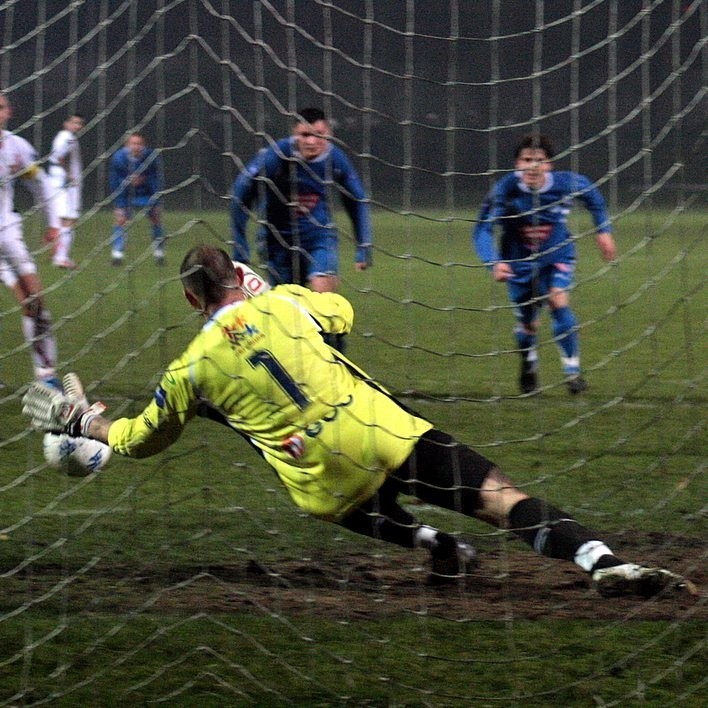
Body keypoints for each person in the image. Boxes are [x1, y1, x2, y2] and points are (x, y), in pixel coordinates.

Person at [22, 244, 696, 599]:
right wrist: (276, 294)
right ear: (240, 276)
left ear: (190, 297)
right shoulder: (288, 304)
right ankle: (600, 561)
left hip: (319, 475)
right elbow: (340, 312)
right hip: (380, 428)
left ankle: (438, 549)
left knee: (348, 502)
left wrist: (85, 424)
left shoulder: (188, 371)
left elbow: (138, 439)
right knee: (499, 499)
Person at [473, 133, 616, 395]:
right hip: (518, 264)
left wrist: (603, 231)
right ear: (517, 164)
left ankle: (573, 373)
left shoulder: (566, 184)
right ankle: (528, 364)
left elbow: (594, 199)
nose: (532, 166)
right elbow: (482, 230)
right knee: (529, 324)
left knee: (558, 299)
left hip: (557, 256)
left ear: (549, 164)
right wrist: (493, 263)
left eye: (539, 160)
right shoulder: (505, 191)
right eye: (527, 160)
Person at [231, 107, 373, 297]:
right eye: (305, 135)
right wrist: (240, 248)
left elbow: (357, 200)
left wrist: (363, 246)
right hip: (278, 241)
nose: (311, 141)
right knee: (287, 308)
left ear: (328, 134)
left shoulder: (335, 158)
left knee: (324, 295)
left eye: (319, 135)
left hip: (318, 237)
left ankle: (325, 325)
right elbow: (241, 192)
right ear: (295, 134)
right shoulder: (276, 156)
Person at [0, 92, 61, 384]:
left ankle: (46, 373)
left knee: (35, 301)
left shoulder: (16, 148)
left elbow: (40, 184)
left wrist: (52, 224)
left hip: (7, 234)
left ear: (8, 111)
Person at [108, 131, 165, 266]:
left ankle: (159, 254)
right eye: (133, 143)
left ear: (143, 145)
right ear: (127, 145)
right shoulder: (118, 158)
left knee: (156, 219)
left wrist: (156, 200)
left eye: (139, 144)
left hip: (146, 194)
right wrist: (120, 202)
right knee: (120, 220)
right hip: (126, 194)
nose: (136, 146)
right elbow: (114, 181)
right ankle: (117, 255)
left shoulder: (151, 157)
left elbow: (156, 178)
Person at [47, 112, 85, 269]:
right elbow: (59, 157)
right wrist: (68, 174)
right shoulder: (67, 137)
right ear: (66, 123)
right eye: (74, 122)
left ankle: (59, 254)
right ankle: (61, 258)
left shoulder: (66, 137)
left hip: (62, 183)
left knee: (66, 220)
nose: (77, 126)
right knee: (67, 220)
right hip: (63, 184)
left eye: (80, 123)